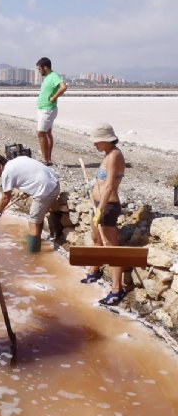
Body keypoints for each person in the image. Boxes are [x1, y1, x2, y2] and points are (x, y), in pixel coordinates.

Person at [81, 123, 126, 306]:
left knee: (111, 248)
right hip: (98, 204)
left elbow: (109, 186)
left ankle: (117, 289)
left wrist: (100, 210)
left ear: (107, 140)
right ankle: (95, 270)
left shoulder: (115, 155)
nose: (94, 145)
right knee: (96, 239)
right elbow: (102, 179)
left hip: (107, 206)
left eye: (97, 142)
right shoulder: (108, 154)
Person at [0, 153, 60, 253]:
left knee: (32, 222)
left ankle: (33, 255)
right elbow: (31, 174)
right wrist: (28, 190)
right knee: (37, 217)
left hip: (46, 191)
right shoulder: (18, 160)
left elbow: (5, 198)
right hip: (54, 183)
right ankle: (37, 239)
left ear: (0, 166)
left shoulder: (6, 173)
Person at [35, 57, 67, 166]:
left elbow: (63, 87)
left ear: (45, 67)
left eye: (40, 69)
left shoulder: (54, 76)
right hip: (44, 109)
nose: (39, 72)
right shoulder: (48, 77)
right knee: (47, 133)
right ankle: (47, 159)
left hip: (48, 110)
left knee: (40, 133)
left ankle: (45, 160)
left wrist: (54, 97)